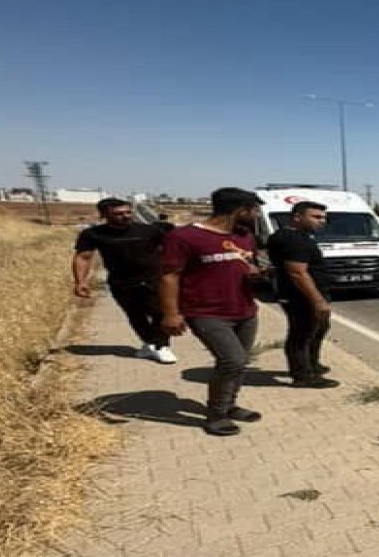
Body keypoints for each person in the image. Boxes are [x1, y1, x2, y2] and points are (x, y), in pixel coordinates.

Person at [159, 187, 267, 436]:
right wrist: (171, 313)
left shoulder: (244, 236)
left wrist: (256, 274)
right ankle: (216, 415)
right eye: (255, 210)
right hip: (206, 312)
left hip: (245, 309)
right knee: (232, 361)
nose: (258, 215)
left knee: (240, 363)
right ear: (240, 210)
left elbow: (247, 264)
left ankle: (229, 405)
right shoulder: (184, 237)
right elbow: (168, 276)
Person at [72, 198, 176, 364]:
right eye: (118, 214)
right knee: (136, 316)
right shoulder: (93, 234)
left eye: (128, 212)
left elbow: (173, 247)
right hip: (121, 283)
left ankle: (161, 346)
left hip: (153, 279)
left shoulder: (148, 231)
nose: (125, 216)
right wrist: (81, 281)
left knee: (160, 313)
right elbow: (83, 257)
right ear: (104, 215)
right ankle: (150, 343)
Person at [266, 201, 340, 389]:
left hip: (305, 295)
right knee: (302, 335)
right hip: (300, 297)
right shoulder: (294, 240)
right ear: (297, 217)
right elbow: (297, 272)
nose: (321, 221)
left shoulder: (299, 236)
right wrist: (317, 300)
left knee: (318, 328)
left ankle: (312, 364)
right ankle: (302, 375)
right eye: (316, 217)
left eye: (323, 217)